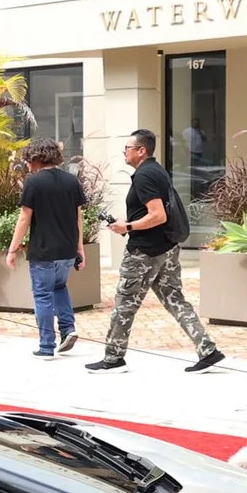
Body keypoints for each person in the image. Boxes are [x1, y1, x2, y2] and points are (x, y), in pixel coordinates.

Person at [88, 128, 223, 374]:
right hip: (166, 249)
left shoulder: (144, 176)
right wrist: (127, 223)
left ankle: (113, 358)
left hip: (144, 252)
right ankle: (207, 349)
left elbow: (158, 215)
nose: (124, 153)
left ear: (141, 150)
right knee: (175, 299)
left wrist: (126, 226)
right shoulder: (157, 170)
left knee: (125, 303)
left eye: (127, 148)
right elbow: (153, 212)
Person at [7, 139, 86, 357]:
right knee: (60, 287)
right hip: (68, 249)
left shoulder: (34, 183)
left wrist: (12, 249)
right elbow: (78, 216)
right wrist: (80, 248)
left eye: (28, 160)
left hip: (43, 250)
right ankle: (68, 329)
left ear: (37, 158)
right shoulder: (72, 181)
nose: (27, 164)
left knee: (42, 296)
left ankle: (46, 345)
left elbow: (24, 218)